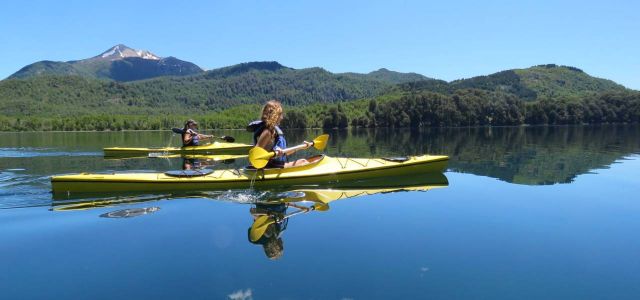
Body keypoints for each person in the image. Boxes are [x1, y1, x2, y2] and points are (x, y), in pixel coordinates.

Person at [247, 100, 312, 168]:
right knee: (304, 162)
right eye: (280, 115)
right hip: (268, 167)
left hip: (273, 165)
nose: (282, 117)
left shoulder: (272, 131)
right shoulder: (267, 132)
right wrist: (274, 154)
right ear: (275, 115)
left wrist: (301, 146)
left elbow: (285, 152)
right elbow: (254, 155)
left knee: (303, 161)